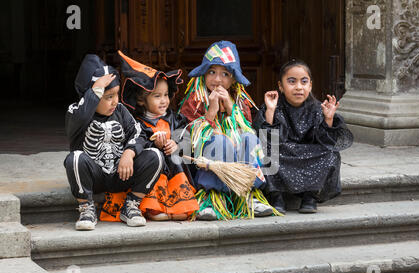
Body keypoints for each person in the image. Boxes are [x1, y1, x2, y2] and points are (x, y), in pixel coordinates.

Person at [179, 40, 281, 220]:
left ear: (233, 78)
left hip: (237, 161)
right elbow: (188, 138)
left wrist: (231, 108)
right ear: (203, 74)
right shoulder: (195, 99)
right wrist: (211, 112)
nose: (217, 79)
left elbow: (246, 128)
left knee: (250, 139)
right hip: (205, 158)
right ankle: (212, 198)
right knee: (220, 142)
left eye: (224, 74)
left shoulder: (240, 100)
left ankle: (249, 195)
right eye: (211, 72)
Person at [64, 54, 163, 231]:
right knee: (75, 159)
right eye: (108, 96)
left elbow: (139, 133)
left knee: (155, 155)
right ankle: (86, 208)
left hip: (122, 173)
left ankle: (132, 204)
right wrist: (94, 92)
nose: (115, 101)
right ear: (90, 96)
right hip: (94, 178)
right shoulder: (76, 112)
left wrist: (129, 152)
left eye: (116, 95)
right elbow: (80, 115)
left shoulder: (120, 110)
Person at [104, 50, 199, 222]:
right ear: (141, 100)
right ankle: (153, 208)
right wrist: (154, 145)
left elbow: (186, 138)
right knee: (154, 163)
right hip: (151, 171)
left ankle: (176, 207)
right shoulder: (136, 123)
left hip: (172, 168)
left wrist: (176, 145)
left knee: (174, 165)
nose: (164, 100)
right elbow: (134, 144)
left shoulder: (175, 119)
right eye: (157, 96)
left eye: (165, 95)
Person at [254, 59, 353, 214]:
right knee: (266, 149)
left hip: (308, 156)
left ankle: (310, 196)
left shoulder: (317, 108)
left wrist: (328, 119)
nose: (298, 87)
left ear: (310, 85)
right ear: (281, 86)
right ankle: (276, 196)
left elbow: (325, 141)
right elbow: (266, 138)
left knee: (331, 153)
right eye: (291, 82)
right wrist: (270, 112)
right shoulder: (273, 107)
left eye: (304, 82)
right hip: (283, 153)